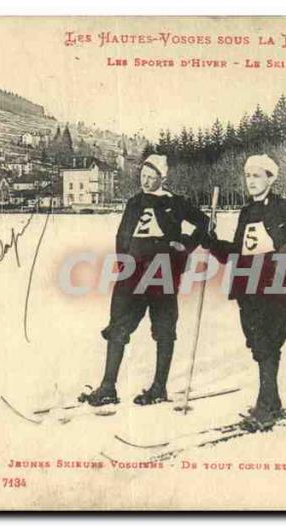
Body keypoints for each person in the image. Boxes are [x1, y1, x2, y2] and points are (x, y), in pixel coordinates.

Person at [79, 154, 211, 407]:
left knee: (163, 327)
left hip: (163, 271)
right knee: (118, 325)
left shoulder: (175, 202)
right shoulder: (134, 203)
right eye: (143, 176)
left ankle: (159, 387)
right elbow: (122, 236)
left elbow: (205, 222)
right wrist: (123, 263)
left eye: (152, 177)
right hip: (133, 273)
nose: (146, 182)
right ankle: (108, 386)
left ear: (163, 178)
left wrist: (185, 244)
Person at [203, 154, 286, 431]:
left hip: (276, 281)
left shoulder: (285, 208)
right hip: (248, 283)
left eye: (257, 176)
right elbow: (237, 252)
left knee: (270, 341)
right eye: (248, 176)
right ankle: (273, 400)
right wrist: (210, 243)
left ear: (270, 178)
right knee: (257, 342)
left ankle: (265, 406)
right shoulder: (246, 212)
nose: (251, 182)